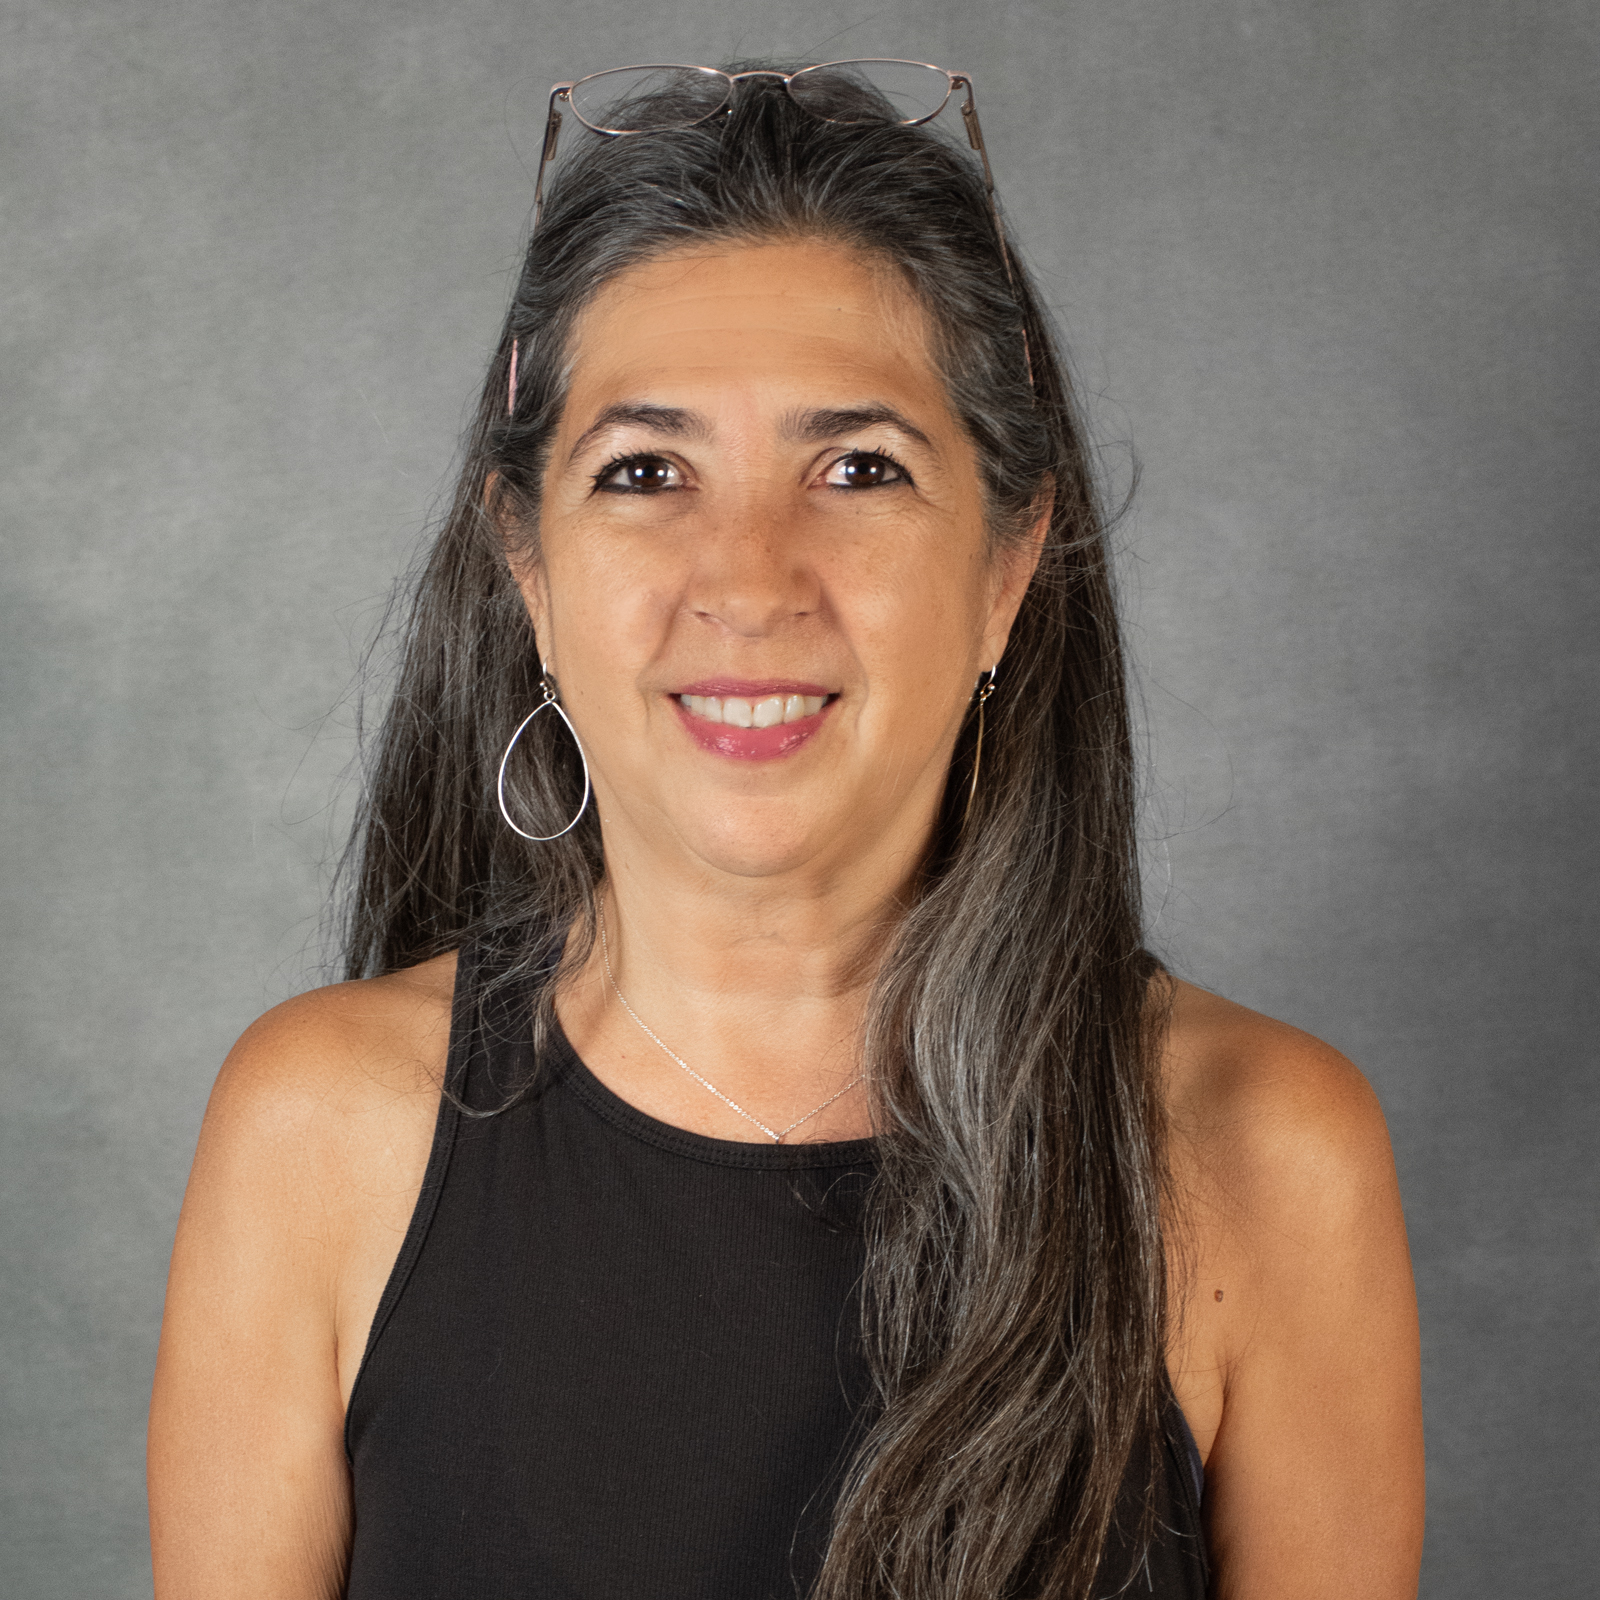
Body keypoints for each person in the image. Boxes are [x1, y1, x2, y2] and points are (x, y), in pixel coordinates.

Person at [147, 60, 1424, 1599]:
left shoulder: (1267, 1153)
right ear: (527, 571)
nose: (750, 580)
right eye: (645, 472)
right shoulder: (317, 1133)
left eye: (858, 468)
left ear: (1010, 567)